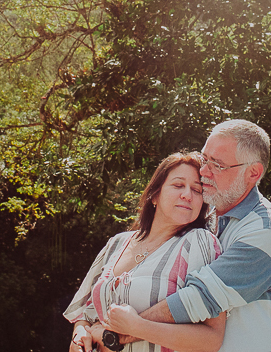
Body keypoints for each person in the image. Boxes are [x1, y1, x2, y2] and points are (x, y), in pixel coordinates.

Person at [103, 120, 271, 352]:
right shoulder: (204, 221)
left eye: (217, 165)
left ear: (253, 173)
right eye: (205, 159)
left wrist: (119, 333)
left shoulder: (267, 229)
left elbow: (199, 299)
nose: (204, 172)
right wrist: (87, 324)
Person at [65, 151, 227, 352]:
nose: (187, 195)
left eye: (197, 190)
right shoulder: (117, 243)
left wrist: (135, 329)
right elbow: (85, 316)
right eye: (178, 185)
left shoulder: (199, 242)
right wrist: (80, 335)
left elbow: (211, 339)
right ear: (154, 195)